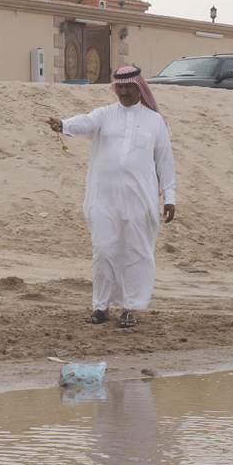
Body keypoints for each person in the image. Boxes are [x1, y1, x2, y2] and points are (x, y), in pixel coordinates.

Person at [45, 65, 176, 328]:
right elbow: (85, 123)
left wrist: (170, 196)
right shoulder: (105, 115)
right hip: (104, 199)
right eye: (121, 87)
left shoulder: (154, 122)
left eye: (130, 86)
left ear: (140, 88)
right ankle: (100, 307)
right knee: (103, 250)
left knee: (135, 252)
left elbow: (164, 161)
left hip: (140, 200)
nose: (125, 91)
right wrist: (64, 125)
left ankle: (130, 308)